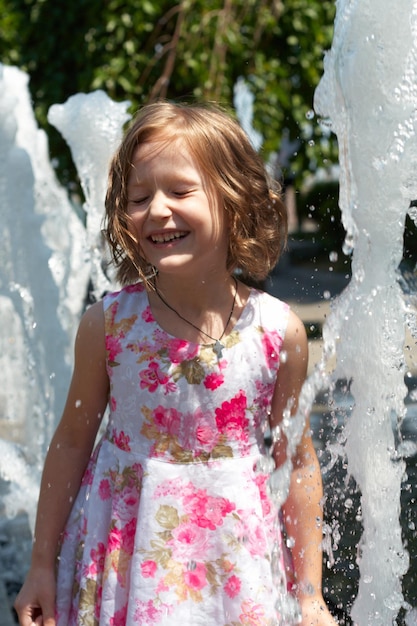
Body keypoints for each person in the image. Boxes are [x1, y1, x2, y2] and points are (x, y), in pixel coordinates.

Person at [14, 101, 337, 626]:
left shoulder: (278, 333)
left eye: (180, 191)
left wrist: (309, 593)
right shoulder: (110, 326)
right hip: (125, 556)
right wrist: (40, 567)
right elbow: (73, 442)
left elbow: (296, 463)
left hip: (233, 564)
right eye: (138, 198)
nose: (156, 210)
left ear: (235, 199)